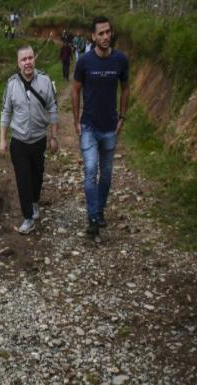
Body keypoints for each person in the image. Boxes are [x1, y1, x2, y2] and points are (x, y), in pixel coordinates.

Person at [72, 16, 130, 237]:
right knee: (89, 171)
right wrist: (76, 120)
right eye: (101, 33)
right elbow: (75, 90)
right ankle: (93, 217)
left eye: (108, 32)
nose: (106, 37)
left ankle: (100, 209)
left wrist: (122, 117)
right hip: (88, 126)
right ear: (93, 37)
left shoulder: (120, 60)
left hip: (109, 128)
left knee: (106, 174)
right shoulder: (85, 62)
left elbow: (125, 88)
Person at [0, 46, 59, 234]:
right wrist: (2, 139)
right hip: (18, 141)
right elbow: (5, 112)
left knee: (37, 175)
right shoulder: (11, 85)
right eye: (23, 59)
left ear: (34, 59)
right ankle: (28, 218)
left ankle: (34, 202)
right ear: (18, 64)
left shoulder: (45, 80)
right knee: (23, 179)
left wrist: (54, 137)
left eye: (30, 58)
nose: (27, 62)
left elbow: (53, 108)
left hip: (39, 139)